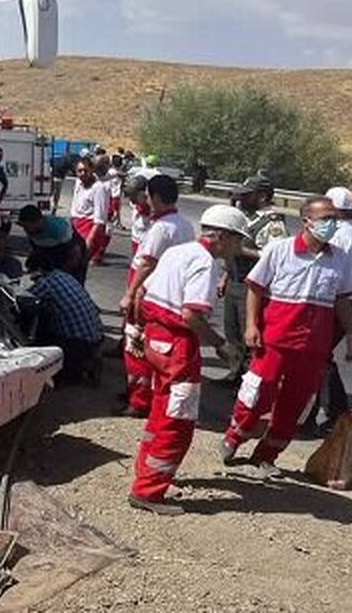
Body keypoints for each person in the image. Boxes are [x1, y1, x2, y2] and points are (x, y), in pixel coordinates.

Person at [221, 196, 352, 478]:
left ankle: (266, 456)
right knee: (258, 394)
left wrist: (351, 334)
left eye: (335, 218)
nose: (332, 224)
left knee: (296, 405)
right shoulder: (280, 250)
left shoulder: (339, 258)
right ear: (306, 221)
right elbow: (256, 288)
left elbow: (342, 300)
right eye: (326, 219)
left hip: (313, 346)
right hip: (276, 340)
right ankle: (235, 437)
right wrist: (251, 326)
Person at [128, 205, 248, 516]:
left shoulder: (177, 252)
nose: (240, 248)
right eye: (238, 240)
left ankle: (146, 473)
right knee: (177, 421)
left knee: (159, 411)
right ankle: (148, 492)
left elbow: (143, 291)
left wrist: (141, 330)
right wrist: (220, 344)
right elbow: (191, 314)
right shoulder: (204, 263)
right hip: (177, 347)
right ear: (222, 237)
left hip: (156, 337)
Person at [117, 173, 195, 417]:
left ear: (156, 197)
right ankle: (140, 392)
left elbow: (147, 264)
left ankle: (139, 401)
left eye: (149, 195)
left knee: (135, 344)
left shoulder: (162, 228)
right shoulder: (184, 223)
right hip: (166, 293)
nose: (146, 199)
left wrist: (130, 295)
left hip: (146, 291)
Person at [305, 187, 352, 431]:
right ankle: (330, 412)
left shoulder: (338, 237)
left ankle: (329, 413)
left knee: (316, 359)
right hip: (351, 303)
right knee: (320, 358)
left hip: (334, 304)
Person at [217, 175, 287, 384]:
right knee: (232, 330)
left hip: (253, 284)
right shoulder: (247, 218)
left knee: (248, 331)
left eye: (247, 196)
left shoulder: (272, 222)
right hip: (235, 280)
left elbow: (274, 255)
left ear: (262, 196)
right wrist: (226, 276)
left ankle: (249, 378)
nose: (241, 200)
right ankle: (234, 373)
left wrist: (242, 251)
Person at [28, 259, 104, 385]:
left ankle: (75, 368)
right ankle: (88, 359)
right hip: (96, 334)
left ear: (39, 271)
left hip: (77, 342)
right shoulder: (65, 276)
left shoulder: (45, 283)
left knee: (42, 333)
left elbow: (26, 299)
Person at [18, 204, 89, 284]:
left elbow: (75, 255)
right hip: (52, 253)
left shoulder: (58, 229)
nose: (25, 229)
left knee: (70, 283)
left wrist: (62, 274)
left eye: (26, 226)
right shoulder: (31, 231)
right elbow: (36, 250)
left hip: (71, 253)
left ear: (37, 221)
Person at [70, 159, 111, 265]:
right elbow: (74, 206)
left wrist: (89, 242)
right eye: (79, 171)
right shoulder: (78, 183)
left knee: (79, 264)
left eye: (85, 170)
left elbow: (99, 219)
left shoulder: (99, 188)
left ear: (92, 170)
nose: (82, 174)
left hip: (89, 228)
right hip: (76, 226)